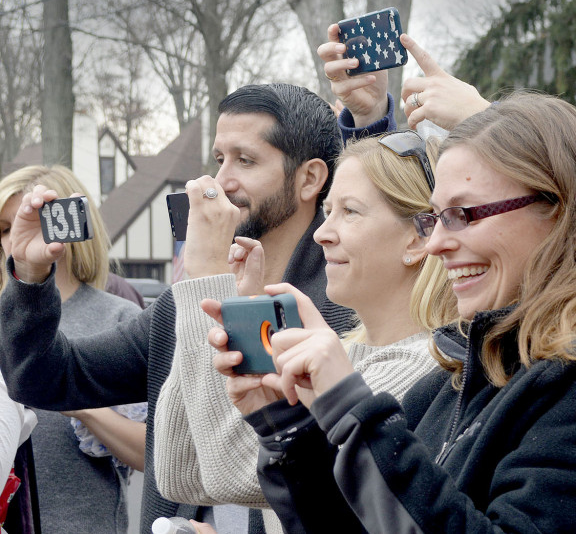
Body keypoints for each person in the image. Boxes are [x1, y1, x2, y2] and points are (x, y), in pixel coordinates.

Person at [205, 92, 576, 532]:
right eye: (434, 217)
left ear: (559, 210)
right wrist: (288, 425)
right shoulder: (465, 371)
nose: (437, 244)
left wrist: (351, 410)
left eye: (464, 215)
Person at [0, 84, 357, 534]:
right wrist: (30, 277)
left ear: (309, 179)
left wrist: (207, 275)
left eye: (245, 161)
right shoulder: (175, 308)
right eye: (218, 160)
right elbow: (44, 378)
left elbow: (268, 468)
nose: (219, 182)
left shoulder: (343, 309)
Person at [154, 131, 458, 532]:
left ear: (420, 237)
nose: (322, 233)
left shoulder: (427, 369)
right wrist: (223, 313)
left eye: (349, 212)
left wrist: (206, 276)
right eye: (327, 210)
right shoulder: (341, 358)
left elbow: (236, 473)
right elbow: (181, 473)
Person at [0, 165, 146, 533]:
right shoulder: (5, 317)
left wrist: (74, 397)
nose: (14, 237)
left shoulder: (121, 318)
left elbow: (155, 453)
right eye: (3, 228)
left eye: (34, 221)